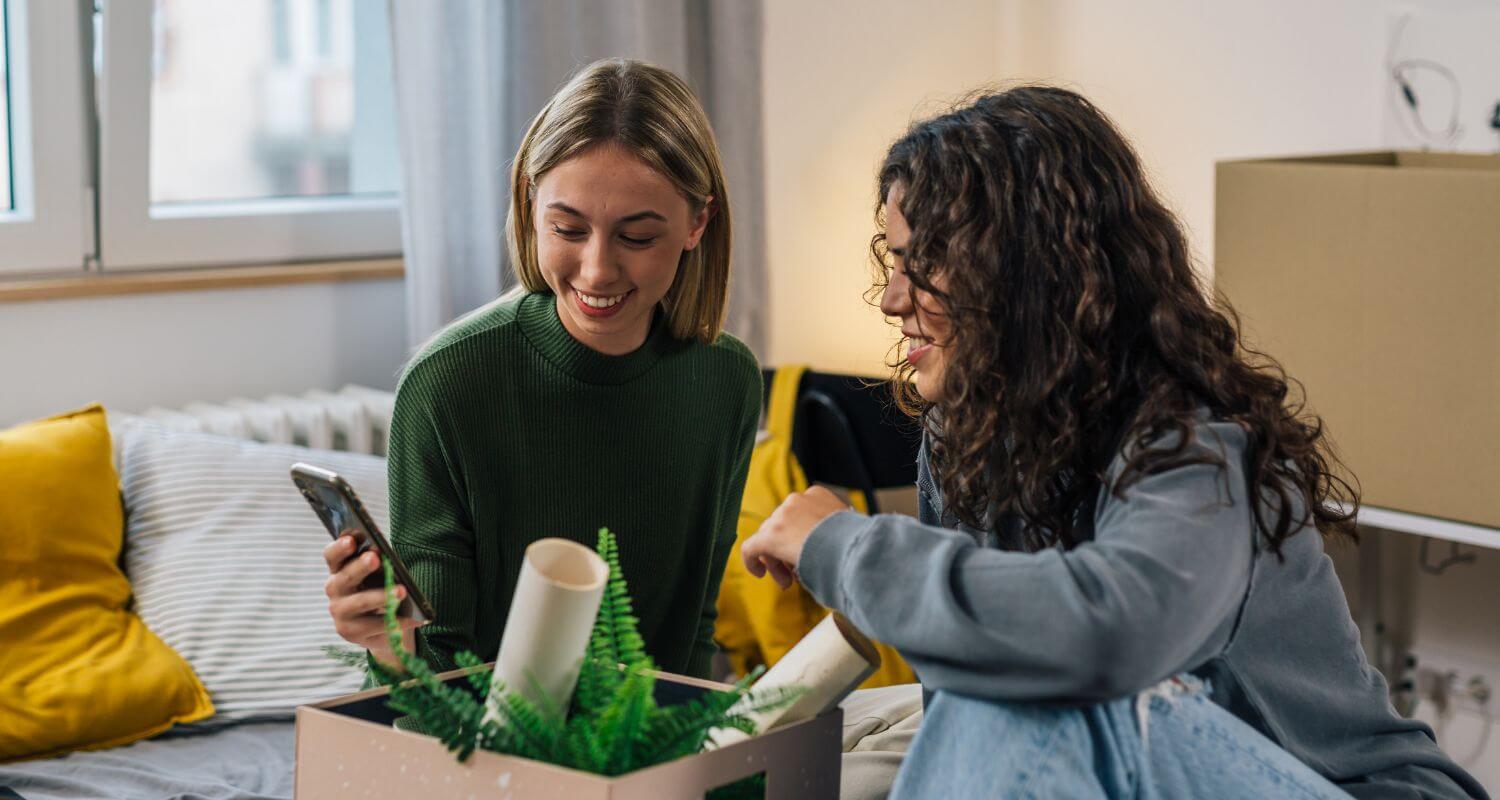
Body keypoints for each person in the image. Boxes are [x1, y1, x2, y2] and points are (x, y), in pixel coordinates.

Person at [742, 86, 1487, 798]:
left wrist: (844, 548)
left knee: (1046, 686)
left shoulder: (1194, 446)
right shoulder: (960, 438)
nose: (894, 298)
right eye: (894, 261)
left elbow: (1102, 638)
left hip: (1345, 790)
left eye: (924, 264)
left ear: (1026, 273)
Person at [323, 58, 761, 682]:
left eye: (637, 237)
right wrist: (387, 645)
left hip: (647, 755)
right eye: (567, 228)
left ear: (698, 223)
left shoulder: (726, 382)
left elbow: (691, 631)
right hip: (478, 760)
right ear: (530, 207)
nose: (596, 270)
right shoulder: (448, 383)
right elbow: (436, 674)